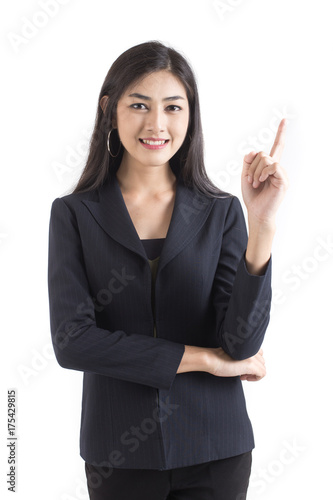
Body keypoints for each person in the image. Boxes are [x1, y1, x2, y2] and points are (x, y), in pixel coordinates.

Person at [47, 40, 289, 500]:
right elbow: (72, 342)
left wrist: (263, 227)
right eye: (139, 104)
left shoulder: (221, 213)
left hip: (217, 450)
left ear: (189, 117)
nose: (156, 123)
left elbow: (241, 343)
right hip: (118, 453)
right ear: (108, 110)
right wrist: (205, 360)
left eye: (172, 107)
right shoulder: (74, 215)